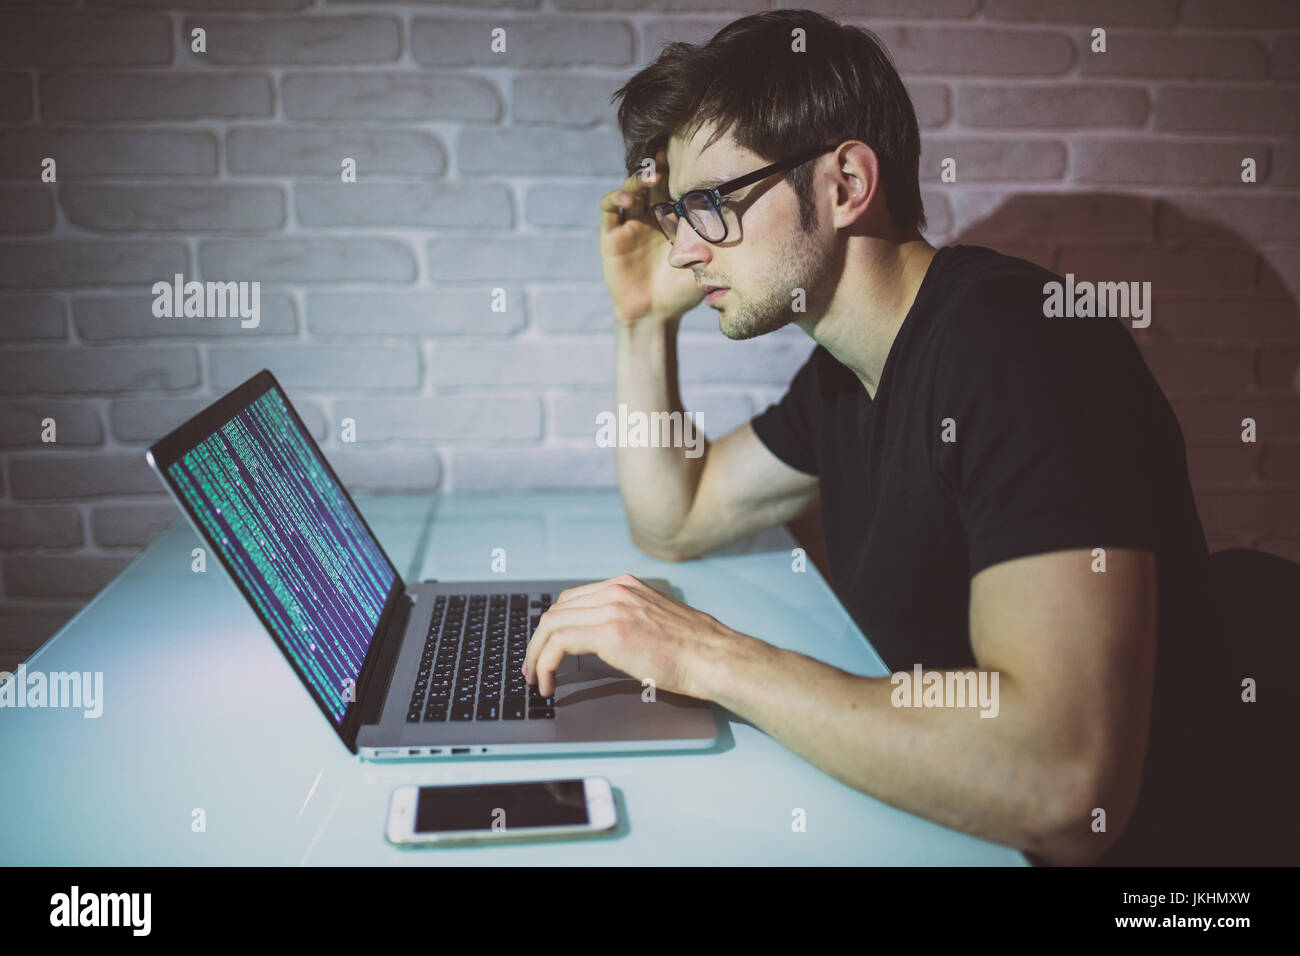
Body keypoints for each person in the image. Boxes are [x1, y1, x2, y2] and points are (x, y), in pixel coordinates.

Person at [522, 10, 1222, 866]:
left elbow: (1066, 784)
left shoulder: (1024, 348)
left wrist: (702, 654)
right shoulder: (844, 373)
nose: (683, 253)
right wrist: (640, 323)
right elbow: (677, 516)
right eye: (679, 214)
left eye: (710, 204)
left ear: (846, 183)